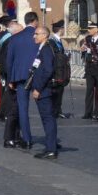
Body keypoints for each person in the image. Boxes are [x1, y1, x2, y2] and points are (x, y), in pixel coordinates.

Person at [6, 13, 39, 148]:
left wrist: (10, 79)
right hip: (37, 75)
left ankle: (27, 139)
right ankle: (51, 139)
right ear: (35, 21)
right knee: (44, 109)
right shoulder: (39, 36)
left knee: (22, 109)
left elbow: (9, 61)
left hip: (20, 76)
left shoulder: (15, 38)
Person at [30, 26, 59, 160]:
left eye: (36, 34)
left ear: (44, 35)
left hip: (44, 90)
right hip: (43, 89)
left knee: (48, 119)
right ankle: (50, 147)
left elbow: (48, 70)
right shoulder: (42, 48)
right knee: (47, 119)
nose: (34, 36)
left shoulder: (46, 49)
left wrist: (38, 89)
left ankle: (51, 149)